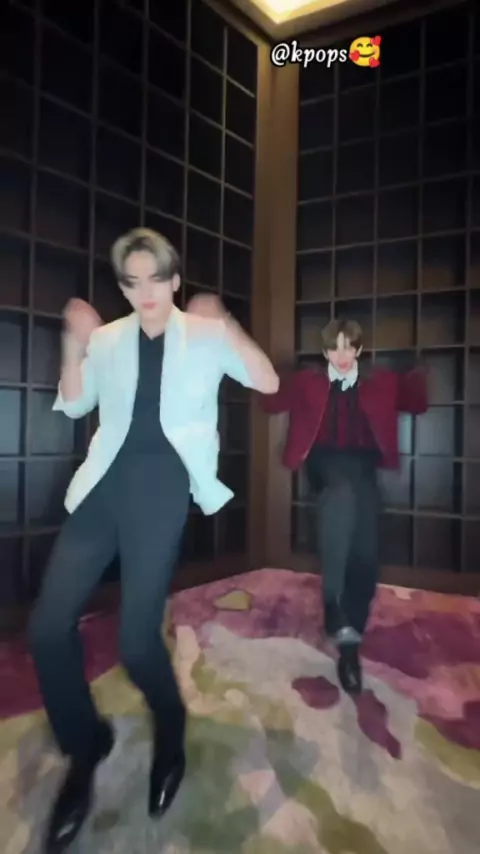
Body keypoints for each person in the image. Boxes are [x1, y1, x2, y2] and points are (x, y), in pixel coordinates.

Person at [28, 227, 279, 853]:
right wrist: (74, 343)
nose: (145, 292)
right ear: (124, 287)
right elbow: (74, 403)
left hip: (163, 488)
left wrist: (228, 323)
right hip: (103, 487)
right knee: (47, 628)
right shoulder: (111, 338)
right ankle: (86, 745)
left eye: (156, 280)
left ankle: (170, 723)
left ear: (174, 281)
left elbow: (267, 381)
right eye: (132, 282)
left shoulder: (204, 334)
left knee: (137, 640)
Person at [262, 318, 428, 695]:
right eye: (334, 347)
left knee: (366, 553)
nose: (341, 355)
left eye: (348, 346)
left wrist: (416, 369)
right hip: (324, 464)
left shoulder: (380, 381)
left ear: (359, 350)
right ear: (324, 352)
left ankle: (349, 647)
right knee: (339, 494)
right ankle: (332, 603)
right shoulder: (309, 381)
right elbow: (270, 402)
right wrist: (278, 371)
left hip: (363, 469)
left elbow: (417, 404)